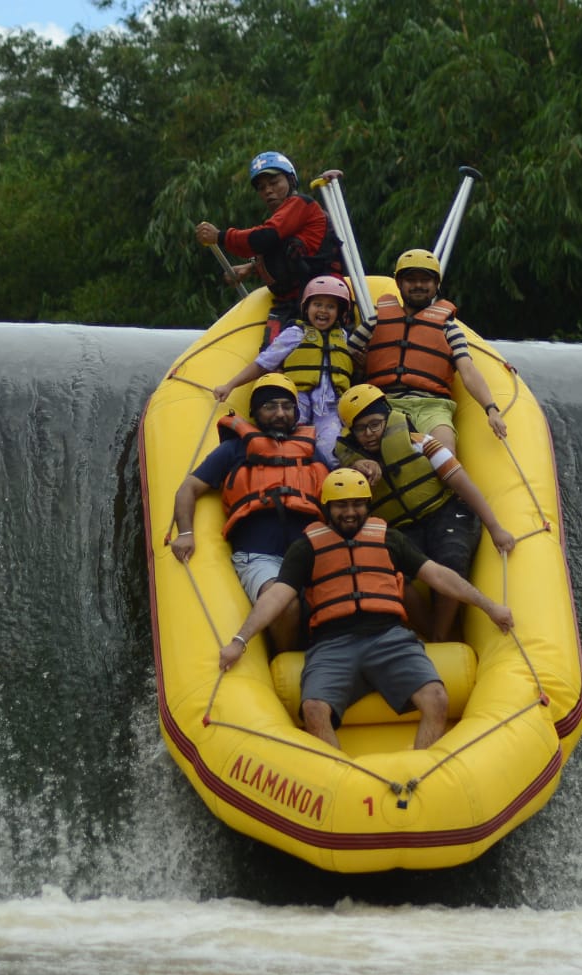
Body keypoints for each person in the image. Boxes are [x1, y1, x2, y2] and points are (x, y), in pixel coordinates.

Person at [218, 469, 513, 750]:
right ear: (327, 507)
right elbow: (277, 596)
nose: (350, 512)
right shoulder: (306, 547)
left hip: (389, 637)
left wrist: (490, 607)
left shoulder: (389, 539)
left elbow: (437, 575)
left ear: (368, 505)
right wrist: (239, 641)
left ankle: (421, 772)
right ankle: (338, 778)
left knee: (436, 698)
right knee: (314, 709)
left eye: (358, 505)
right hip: (331, 644)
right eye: (342, 505)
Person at [334, 383, 515, 641]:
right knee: (394, 574)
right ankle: (428, 630)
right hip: (400, 528)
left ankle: (440, 635)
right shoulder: (352, 470)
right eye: (361, 429)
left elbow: (462, 483)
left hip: (444, 512)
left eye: (375, 424)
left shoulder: (421, 443)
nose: (370, 434)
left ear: (387, 418)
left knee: (452, 557)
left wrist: (495, 528)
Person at [172, 373, 327, 650]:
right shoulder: (234, 449)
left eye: (286, 406)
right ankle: (282, 658)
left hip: (310, 553)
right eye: (270, 407)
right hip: (258, 555)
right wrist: (185, 533)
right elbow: (188, 488)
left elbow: (340, 495)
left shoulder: (311, 452)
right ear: (255, 412)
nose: (280, 413)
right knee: (284, 604)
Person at [346, 247, 507, 454]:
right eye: (411, 280)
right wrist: (361, 367)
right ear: (399, 284)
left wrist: (491, 409)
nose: (419, 285)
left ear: (436, 285)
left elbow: (468, 370)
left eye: (426, 280)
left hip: (433, 406)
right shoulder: (375, 322)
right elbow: (345, 356)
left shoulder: (448, 328)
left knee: (444, 451)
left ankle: (449, 485)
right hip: (385, 403)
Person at [194, 150, 343, 346]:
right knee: (269, 359)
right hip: (291, 304)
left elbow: (263, 239)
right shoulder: (283, 219)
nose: (268, 191)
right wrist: (251, 268)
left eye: (274, 183)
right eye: (262, 187)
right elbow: (284, 253)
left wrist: (220, 236)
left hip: (319, 301)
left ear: (290, 181)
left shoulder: (300, 204)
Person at [213, 275, 354, 466]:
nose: (323, 311)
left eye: (331, 306)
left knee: (331, 454)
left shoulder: (343, 337)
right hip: (297, 403)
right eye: (317, 304)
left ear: (340, 312)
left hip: (329, 408)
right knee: (290, 445)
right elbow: (263, 364)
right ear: (306, 307)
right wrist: (230, 385)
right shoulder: (295, 333)